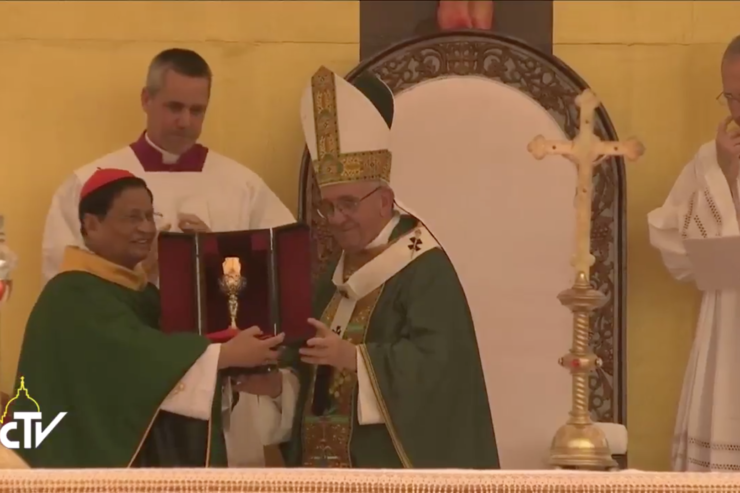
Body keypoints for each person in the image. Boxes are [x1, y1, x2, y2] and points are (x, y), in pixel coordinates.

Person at [40, 47, 295, 467]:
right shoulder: (87, 185)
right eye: (174, 107)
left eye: (197, 110)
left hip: (220, 396)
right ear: (146, 99)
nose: (185, 121)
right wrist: (145, 269)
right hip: (122, 394)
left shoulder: (242, 186)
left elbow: (279, 282)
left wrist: (218, 255)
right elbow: (70, 294)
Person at [236, 66, 500, 469]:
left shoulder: (423, 268)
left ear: (384, 201)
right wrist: (276, 387)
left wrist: (355, 359)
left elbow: (442, 371)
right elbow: (310, 380)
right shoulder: (332, 277)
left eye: (348, 204)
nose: (337, 219)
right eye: (328, 207)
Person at [13, 168, 284, 468]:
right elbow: (135, 357)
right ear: (91, 224)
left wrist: (206, 264)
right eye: (132, 218)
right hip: (78, 461)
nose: (146, 228)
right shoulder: (72, 292)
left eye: (149, 216)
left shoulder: (138, 293)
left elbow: (177, 340)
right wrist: (224, 355)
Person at [648, 35, 740, 471]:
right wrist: (722, 174)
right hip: (728, 327)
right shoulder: (710, 160)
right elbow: (676, 251)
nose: (737, 111)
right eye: (731, 97)